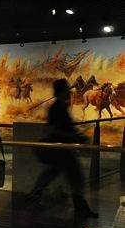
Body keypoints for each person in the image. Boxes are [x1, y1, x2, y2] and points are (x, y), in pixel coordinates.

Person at [26, 79, 98, 218]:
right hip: (61, 150)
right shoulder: (58, 108)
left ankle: (34, 196)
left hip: (61, 150)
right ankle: (80, 209)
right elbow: (56, 130)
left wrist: (76, 136)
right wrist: (76, 137)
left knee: (53, 174)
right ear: (61, 91)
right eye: (66, 89)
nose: (69, 92)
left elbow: (62, 128)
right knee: (75, 178)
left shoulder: (59, 107)